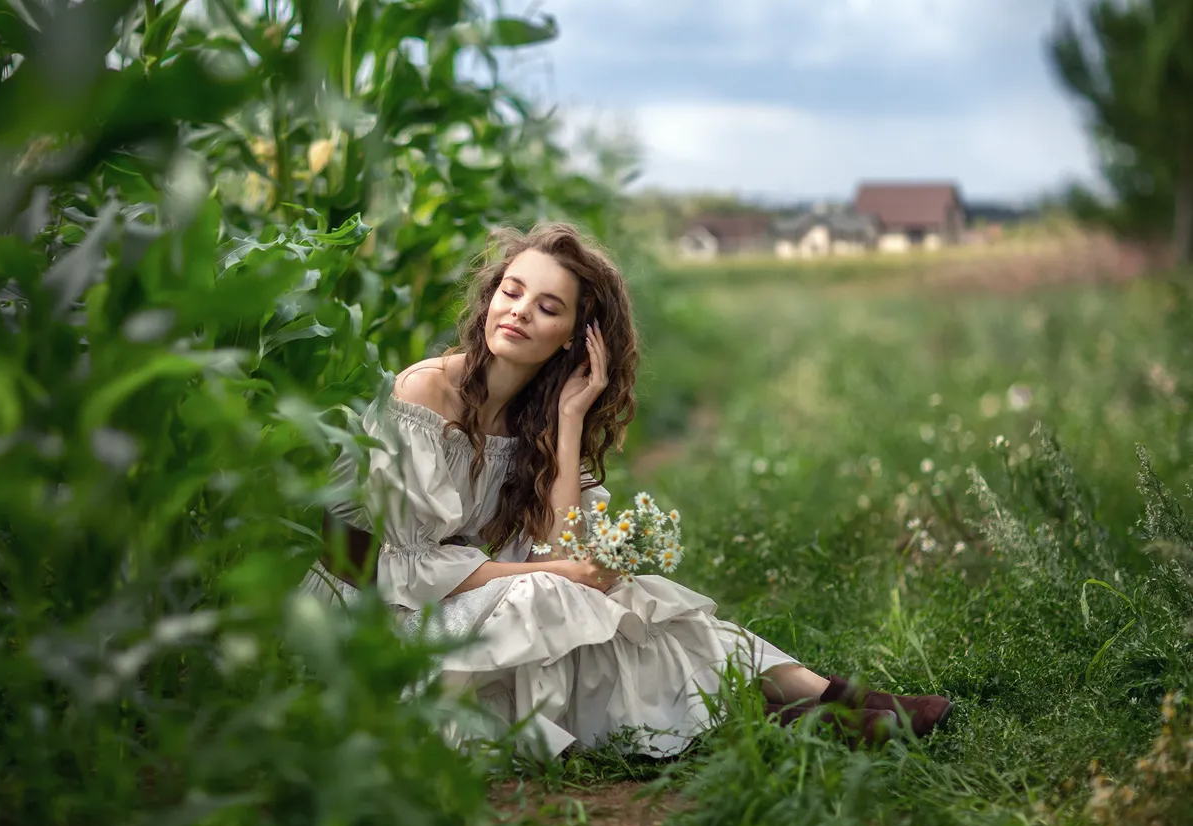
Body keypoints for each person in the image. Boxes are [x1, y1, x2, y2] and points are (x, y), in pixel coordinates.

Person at [303, 222, 953, 758]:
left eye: (547, 307)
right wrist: (558, 570)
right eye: (512, 291)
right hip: (373, 609)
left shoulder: (539, 414)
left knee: (626, 593)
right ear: (491, 296)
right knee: (554, 594)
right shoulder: (426, 394)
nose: (519, 312)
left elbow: (563, 543)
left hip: (448, 590)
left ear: (572, 342)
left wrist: (567, 420)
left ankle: (832, 699)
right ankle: (790, 715)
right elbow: (402, 565)